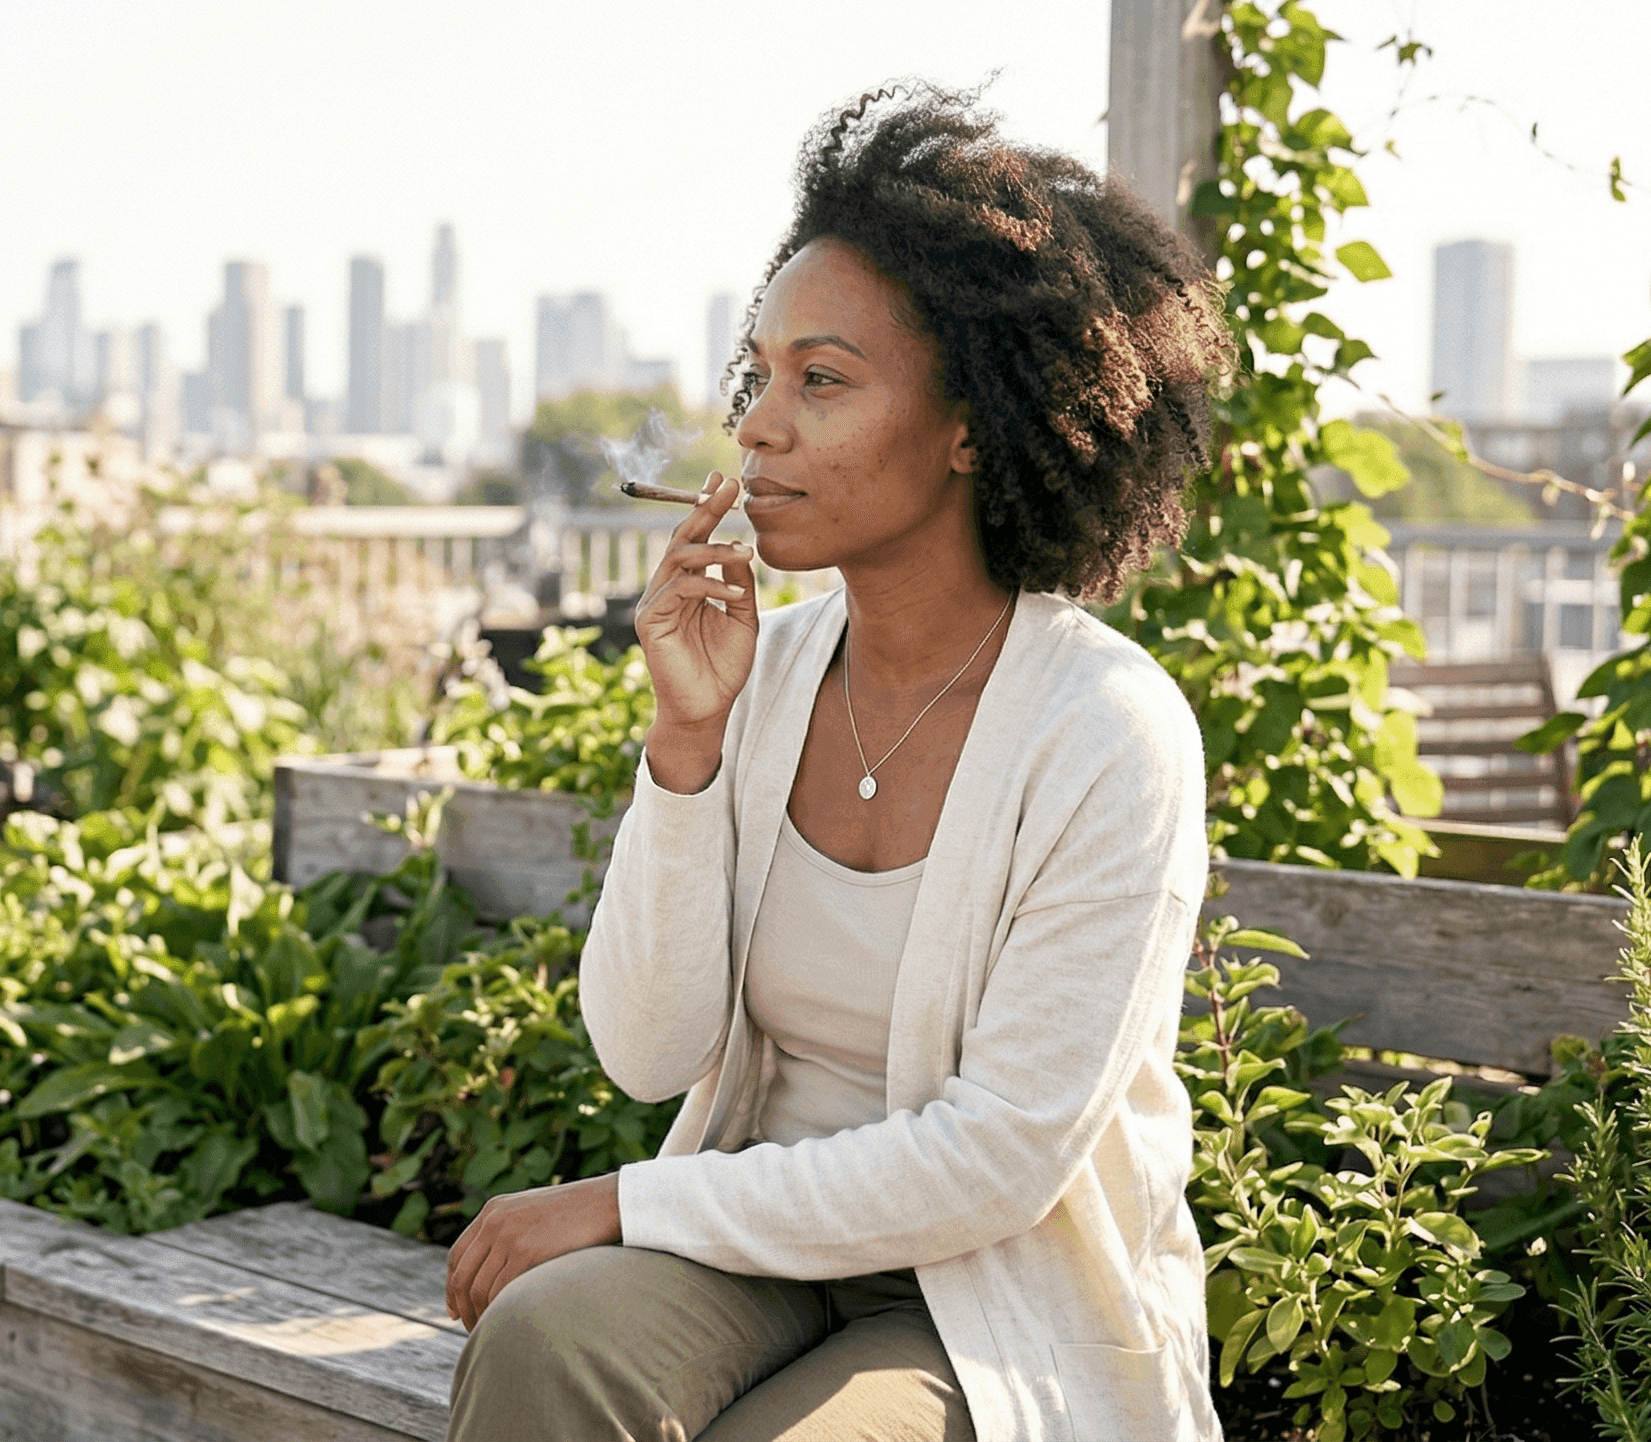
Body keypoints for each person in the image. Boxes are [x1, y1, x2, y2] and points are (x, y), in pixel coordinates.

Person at [439, 83, 1235, 1441]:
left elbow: (995, 1165)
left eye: (821, 381)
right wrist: (684, 748)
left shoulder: (1106, 728)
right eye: (759, 375)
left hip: (998, 1298)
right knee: (545, 1346)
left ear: (972, 423)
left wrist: (624, 1203)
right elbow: (646, 1055)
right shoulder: (766, 679)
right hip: (758, 1247)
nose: (755, 425)